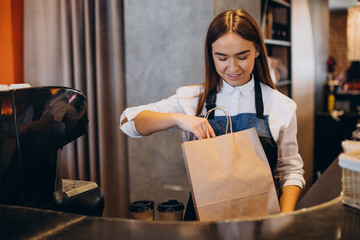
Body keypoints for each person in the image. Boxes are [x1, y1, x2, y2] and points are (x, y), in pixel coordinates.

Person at [120, 9, 305, 220]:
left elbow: (290, 171)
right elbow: (128, 122)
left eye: (242, 56)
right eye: (222, 57)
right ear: (211, 54)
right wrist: (180, 119)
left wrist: (284, 219)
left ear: (257, 51)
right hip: (203, 223)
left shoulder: (281, 105)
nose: (232, 67)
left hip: (262, 221)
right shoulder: (193, 99)